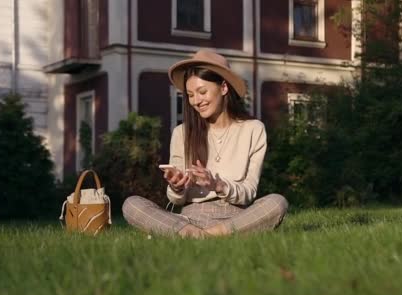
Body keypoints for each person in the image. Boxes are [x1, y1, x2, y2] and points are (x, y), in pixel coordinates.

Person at [122, 49, 288, 238]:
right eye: (190, 95)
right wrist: (177, 187)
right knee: (131, 204)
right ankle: (196, 234)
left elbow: (249, 192)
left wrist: (217, 185)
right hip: (189, 219)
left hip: (235, 218)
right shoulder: (182, 133)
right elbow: (177, 200)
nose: (196, 101)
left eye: (202, 92)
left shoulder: (253, 129)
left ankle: (203, 235)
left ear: (224, 88)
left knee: (277, 202)